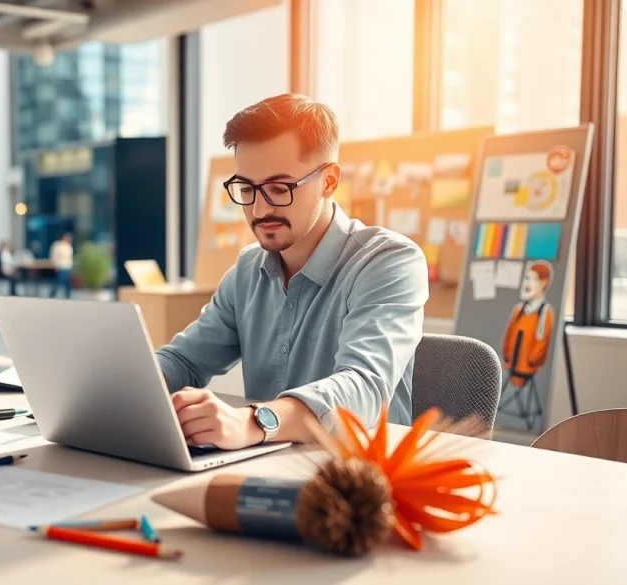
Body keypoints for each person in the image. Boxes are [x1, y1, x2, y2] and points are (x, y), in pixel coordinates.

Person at [156, 93, 428, 450]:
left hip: (359, 482)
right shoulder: (247, 270)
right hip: (264, 470)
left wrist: (252, 422)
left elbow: (364, 388)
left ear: (329, 181)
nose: (258, 209)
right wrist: (130, 385)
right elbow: (184, 360)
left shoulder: (389, 262)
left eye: (278, 188)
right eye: (246, 188)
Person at [502, 261, 555, 389]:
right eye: (527, 278)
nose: (528, 284)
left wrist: (531, 361)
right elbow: (509, 335)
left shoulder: (545, 312)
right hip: (512, 366)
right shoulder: (518, 310)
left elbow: (542, 342)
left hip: (527, 369)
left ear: (544, 282)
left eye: (534, 279)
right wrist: (507, 357)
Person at [48, 232, 74, 298]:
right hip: (60, 266)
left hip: (67, 267)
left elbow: (69, 257)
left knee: (67, 283)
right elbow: (53, 255)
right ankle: (52, 294)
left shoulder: (68, 246)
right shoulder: (57, 245)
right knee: (58, 281)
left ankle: (67, 296)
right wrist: (54, 264)